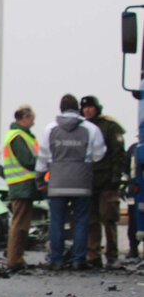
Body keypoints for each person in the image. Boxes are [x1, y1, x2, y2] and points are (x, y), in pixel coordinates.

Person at [36, 94, 106, 271]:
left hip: (57, 182)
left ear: (61, 108)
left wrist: (39, 179)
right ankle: (78, 259)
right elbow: (99, 154)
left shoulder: (50, 129)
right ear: (78, 109)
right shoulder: (91, 129)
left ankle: (56, 259)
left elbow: (43, 157)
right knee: (81, 222)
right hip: (81, 182)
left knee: (57, 221)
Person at [80, 96, 126, 268]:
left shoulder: (109, 126)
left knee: (109, 219)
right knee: (91, 220)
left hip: (107, 180)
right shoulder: (82, 127)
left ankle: (112, 255)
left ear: (97, 108)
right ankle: (93, 255)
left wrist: (116, 175)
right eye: (85, 108)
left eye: (90, 107)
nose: (87, 111)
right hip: (89, 180)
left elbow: (118, 152)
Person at [2, 106, 40, 272]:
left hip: (21, 184)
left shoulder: (19, 135)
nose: (34, 122)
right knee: (20, 225)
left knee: (21, 224)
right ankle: (14, 259)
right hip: (21, 184)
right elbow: (28, 161)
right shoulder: (18, 137)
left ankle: (16, 258)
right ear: (24, 118)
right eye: (32, 118)